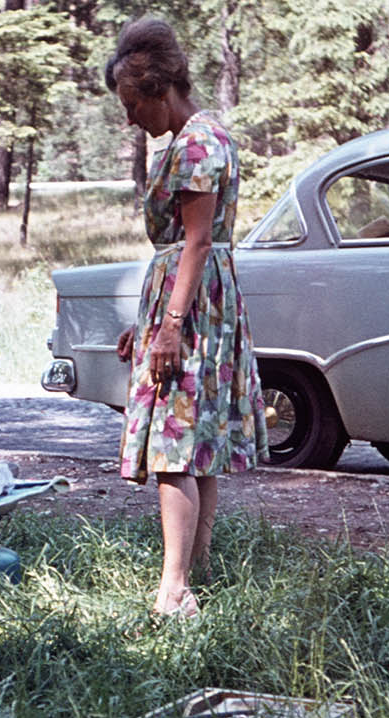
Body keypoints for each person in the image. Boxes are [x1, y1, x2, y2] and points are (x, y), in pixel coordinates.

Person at [105, 16, 268, 618]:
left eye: (132, 104)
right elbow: (186, 248)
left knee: (175, 444)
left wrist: (170, 325)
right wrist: (147, 322)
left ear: (160, 90)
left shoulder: (197, 144)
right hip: (194, 301)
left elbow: (196, 242)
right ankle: (195, 573)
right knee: (196, 445)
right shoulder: (196, 138)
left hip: (194, 307)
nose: (130, 119)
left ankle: (173, 589)